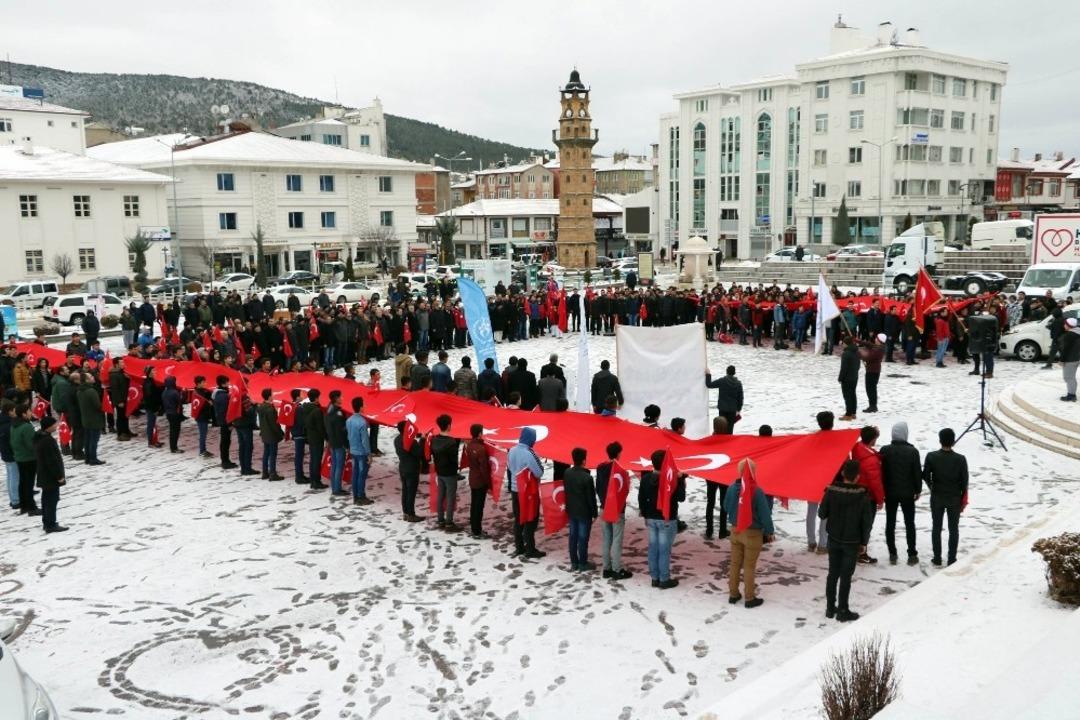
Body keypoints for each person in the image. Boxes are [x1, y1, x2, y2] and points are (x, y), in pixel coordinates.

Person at [818, 459, 875, 621]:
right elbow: (866, 523)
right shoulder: (863, 495)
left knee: (832, 574)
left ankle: (830, 608)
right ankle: (843, 610)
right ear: (857, 477)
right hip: (852, 541)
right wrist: (864, 542)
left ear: (843, 473)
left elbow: (822, 514)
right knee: (845, 576)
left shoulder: (831, 491)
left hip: (834, 538)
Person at [724, 458, 774, 608]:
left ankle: (733, 594)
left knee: (734, 564)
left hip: (735, 530)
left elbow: (726, 506)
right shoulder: (757, 491)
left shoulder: (731, 488)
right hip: (753, 533)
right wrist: (769, 531)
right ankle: (749, 597)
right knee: (749, 566)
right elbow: (765, 515)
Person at [638, 449, 685, 589]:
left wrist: (645, 514)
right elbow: (681, 498)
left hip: (651, 518)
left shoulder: (646, 479)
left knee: (653, 548)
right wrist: (680, 481)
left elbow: (641, 498)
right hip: (667, 519)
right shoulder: (672, 479)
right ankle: (664, 579)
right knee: (664, 550)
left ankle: (654, 578)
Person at [923, 428, 969, 566]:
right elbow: (964, 481)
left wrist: (932, 487)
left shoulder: (931, 456)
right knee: (953, 528)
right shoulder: (960, 459)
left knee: (936, 527)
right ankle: (952, 558)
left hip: (937, 496)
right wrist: (961, 496)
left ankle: (937, 557)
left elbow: (925, 475)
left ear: (940, 440)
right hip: (954, 497)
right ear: (953, 441)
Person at [879, 421, 921, 565]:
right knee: (910, 523)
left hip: (890, 493)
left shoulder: (884, 450)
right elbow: (917, 473)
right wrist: (918, 490)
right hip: (908, 493)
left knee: (890, 523)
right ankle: (912, 553)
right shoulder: (913, 451)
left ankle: (892, 552)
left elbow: (881, 472)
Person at [595, 441, 632, 580]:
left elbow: (598, 487)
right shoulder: (621, 470)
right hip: (617, 510)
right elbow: (624, 490)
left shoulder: (600, 468)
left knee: (606, 539)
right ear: (618, 453)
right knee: (617, 539)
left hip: (604, 508)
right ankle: (617, 569)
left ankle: (607, 568)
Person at [508, 426, 545, 558]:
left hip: (514, 489)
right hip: (528, 492)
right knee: (531, 518)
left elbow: (510, 468)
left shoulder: (511, 450)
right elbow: (539, 472)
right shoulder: (529, 454)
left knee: (518, 519)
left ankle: (519, 547)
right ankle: (530, 549)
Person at [850, 425, 884, 564]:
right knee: (866, 526)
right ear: (873, 440)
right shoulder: (871, 460)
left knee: (857, 524)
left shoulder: (857, 448)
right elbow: (875, 482)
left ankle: (854, 550)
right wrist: (880, 500)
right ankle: (861, 553)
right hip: (867, 497)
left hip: (857, 494)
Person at [563, 447, 597, 572]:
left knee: (573, 536)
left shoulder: (567, 473)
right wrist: (594, 513)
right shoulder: (587, 478)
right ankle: (583, 563)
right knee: (583, 538)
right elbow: (591, 498)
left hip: (572, 510)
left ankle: (574, 562)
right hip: (584, 512)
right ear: (584, 460)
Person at [33, 415, 67, 533]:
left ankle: (47, 522)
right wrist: (59, 476)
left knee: (46, 500)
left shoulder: (40, 438)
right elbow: (52, 461)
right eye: (54, 424)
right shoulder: (47, 441)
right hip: (50, 477)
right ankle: (50, 524)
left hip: (44, 475)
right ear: (48, 427)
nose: (56, 426)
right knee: (51, 501)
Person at [806, 411, 834, 553]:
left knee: (811, 512)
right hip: (828, 481)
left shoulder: (813, 439)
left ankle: (811, 541)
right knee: (826, 514)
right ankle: (823, 544)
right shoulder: (837, 440)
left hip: (813, 480)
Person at [430, 413, 462, 531]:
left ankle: (440, 520)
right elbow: (453, 460)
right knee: (450, 497)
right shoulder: (451, 442)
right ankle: (449, 522)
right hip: (450, 473)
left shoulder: (434, 440)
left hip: (440, 472)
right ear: (449, 426)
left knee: (441, 496)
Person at [704, 416, 730, 539]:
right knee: (723, 503)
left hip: (710, 475)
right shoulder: (729, 441)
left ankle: (709, 530)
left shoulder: (709, 440)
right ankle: (722, 531)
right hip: (723, 476)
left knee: (710, 502)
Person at [11, 404, 39, 515]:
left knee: (23, 483)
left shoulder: (14, 425)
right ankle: (31, 508)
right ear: (23, 414)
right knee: (29, 484)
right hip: (29, 458)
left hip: (19, 457)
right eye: (28, 411)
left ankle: (24, 506)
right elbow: (31, 444)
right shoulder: (26, 427)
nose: (30, 413)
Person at [394, 420, 424, 522]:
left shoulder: (397, 439)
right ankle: (411, 514)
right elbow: (419, 454)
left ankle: (406, 512)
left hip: (403, 467)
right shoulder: (411, 441)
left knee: (405, 491)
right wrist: (422, 441)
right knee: (411, 492)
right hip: (412, 469)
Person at [464, 423, 491, 538]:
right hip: (480, 481)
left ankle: (474, 528)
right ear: (480, 434)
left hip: (472, 478)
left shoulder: (469, 445)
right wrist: (488, 482)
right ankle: (477, 531)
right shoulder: (481, 449)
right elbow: (484, 469)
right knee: (479, 506)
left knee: (474, 504)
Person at [346, 397, 372, 505]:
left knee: (355, 474)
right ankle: (361, 496)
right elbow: (365, 440)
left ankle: (356, 496)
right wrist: (369, 454)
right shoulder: (362, 422)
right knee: (362, 474)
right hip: (361, 452)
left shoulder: (349, 420)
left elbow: (349, 436)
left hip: (353, 450)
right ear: (361, 407)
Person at [77, 373, 105, 465]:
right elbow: (98, 406)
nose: (93, 377)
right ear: (86, 380)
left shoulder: (79, 391)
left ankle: (88, 458)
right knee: (94, 440)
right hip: (94, 419)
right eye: (91, 377)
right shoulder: (91, 391)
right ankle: (93, 459)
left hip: (85, 418)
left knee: (88, 439)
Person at [705, 365, 743, 432]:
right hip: (732, 409)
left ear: (726, 372)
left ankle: (721, 441)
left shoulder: (722, 381)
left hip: (722, 408)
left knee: (721, 428)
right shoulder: (738, 383)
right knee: (730, 429)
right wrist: (738, 409)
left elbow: (709, 385)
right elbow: (740, 398)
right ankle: (729, 441)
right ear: (734, 372)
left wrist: (708, 374)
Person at [257, 388, 284, 481]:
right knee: (272, 454)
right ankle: (272, 473)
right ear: (269, 397)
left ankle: (265, 472)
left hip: (265, 433)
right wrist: (280, 433)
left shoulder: (261, 407)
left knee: (266, 453)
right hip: (271, 435)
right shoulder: (270, 409)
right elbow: (274, 424)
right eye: (272, 395)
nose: (273, 396)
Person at [324, 390, 348, 495]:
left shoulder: (329, 410)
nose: (342, 398)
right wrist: (346, 444)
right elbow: (340, 431)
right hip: (338, 443)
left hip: (332, 441)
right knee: (339, 465)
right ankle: (337, 489)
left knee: (334, 465)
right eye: (341, 397)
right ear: (336, 399)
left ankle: (334, 486)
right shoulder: (338, 413)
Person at [212, 376, 236, 470]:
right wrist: (229, 424)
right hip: (225, 422)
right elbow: (224, 412)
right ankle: (225, 461)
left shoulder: (218, 393)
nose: (229, 384)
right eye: (227, 382)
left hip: (222, 421)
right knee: (225, 442)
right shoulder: (223, 396)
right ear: (223, 384)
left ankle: (225, 460)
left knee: (225, 441)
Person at [304, 389, 326, 489]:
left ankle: (313, 480)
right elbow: (320, 427)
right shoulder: (317, 411)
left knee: (313, 459)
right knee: (317, 460)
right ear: (316, 398)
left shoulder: (305, 407)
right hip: (317, 438)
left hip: (310, 436)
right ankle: (316, 481)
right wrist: (326, 437)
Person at [233, 392, 258, 476]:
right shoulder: (245, 398)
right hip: (245, 424)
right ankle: (247, 468)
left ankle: (243, 468)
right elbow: (249, 412)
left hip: (237, 423)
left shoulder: (235, 396)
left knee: (242, 446)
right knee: (248, 447)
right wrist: (254, 405)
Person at [859, 333, 885, 413]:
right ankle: (872, 405)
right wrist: (858, 341)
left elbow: (868, 358)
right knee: (870, 389)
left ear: (879, 340)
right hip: (872, 370)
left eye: (876, 338)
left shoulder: (879, 350)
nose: (875, 339)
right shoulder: (877, 347)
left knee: (871, 389)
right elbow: (869, 344)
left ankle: (873, 406)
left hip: (873, 371)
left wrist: (859, 353)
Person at [1, 400, 19, 509]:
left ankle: (13, 498)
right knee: (14, 477)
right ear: (10, 411)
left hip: (5, 453)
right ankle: (16, 500)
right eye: (14, 410)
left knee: (10, 476)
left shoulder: (3, 422)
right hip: (11, 453)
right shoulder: (9, 425)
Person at [838, 339, 860, 421]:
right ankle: (853, 413)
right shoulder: (856, 352)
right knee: (853, 395)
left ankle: (848, 414)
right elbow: (858, 365)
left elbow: (843, 368)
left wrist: (840, 378)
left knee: (847, 396)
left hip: (847, 378)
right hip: (854, 377)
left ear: (846, 344)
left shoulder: (846, 354)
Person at [193, 376, 214, 459]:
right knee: (203, 434)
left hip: (204, 416)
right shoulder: (197, 393)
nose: (205, 383)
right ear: (199, 383)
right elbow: (201, 405)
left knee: (204, 434)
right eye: (203, 382)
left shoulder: (202, 391)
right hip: (201, 417)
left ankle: (204, 449)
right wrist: (209, 403)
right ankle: (202, 451)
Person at [162, 376, 184, 453]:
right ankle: (174, 448)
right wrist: (183, 393)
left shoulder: (164, 392)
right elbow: (180, 401)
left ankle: (173, 447)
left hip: (168, 413)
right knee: (175, 431)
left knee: (172, 431)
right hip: (175, 414)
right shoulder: (174, 392)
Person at [1060, 317, 1079, 401]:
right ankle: (1071, 393)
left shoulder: (1069, 335)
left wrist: (1062, 360)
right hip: (1076, 357)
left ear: (1069, 326)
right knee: (1070, 377)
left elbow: (1066, 349)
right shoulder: (1078, 332)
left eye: (1065, 324)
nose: (1064, 325)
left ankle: (1071, 395)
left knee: (1068, 377)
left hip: (1070, 359)